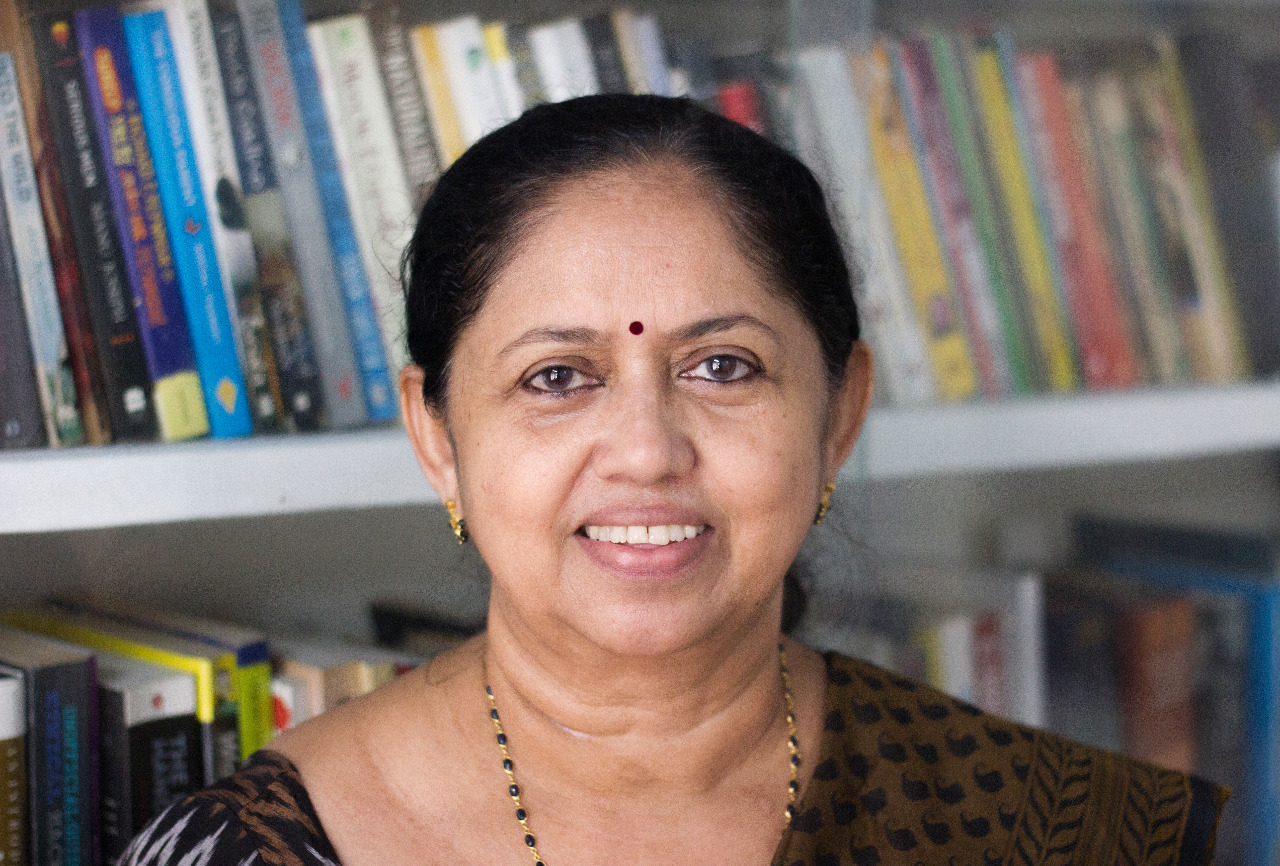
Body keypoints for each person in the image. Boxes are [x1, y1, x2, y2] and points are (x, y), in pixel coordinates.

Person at [121, 95, 1226, 866]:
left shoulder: (1067, 833)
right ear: (437, 433)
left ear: (838, 413)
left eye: (722, 366)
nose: (647, 450)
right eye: (558, 376)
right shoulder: (253, 846)